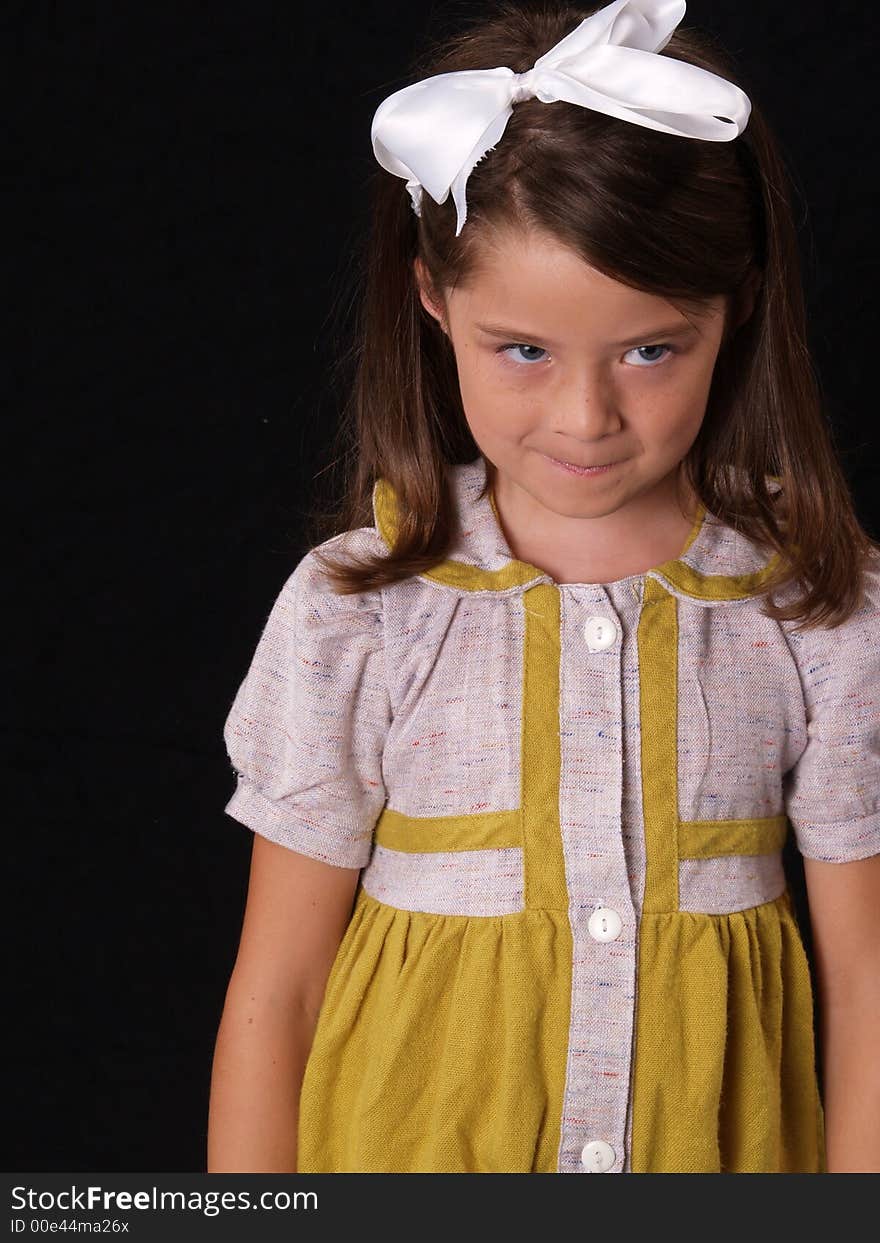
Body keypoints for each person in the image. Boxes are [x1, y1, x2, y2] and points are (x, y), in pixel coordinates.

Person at [207, 0, 880, 1174]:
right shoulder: (359, 606)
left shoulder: (818, 603)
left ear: (739, 305)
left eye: (649, 350)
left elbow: (866, 980)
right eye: (522, 350)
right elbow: (282, 984)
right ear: (432, 300)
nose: (585, 418)